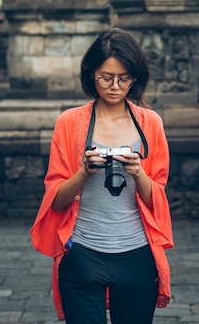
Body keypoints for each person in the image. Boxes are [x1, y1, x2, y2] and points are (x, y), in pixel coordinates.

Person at [30, 28, 174, 323]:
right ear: (91, 75)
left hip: (136, 252)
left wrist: (139, 173)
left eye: (124, 79)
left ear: (135, 78)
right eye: (106, 78)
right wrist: (83, 172)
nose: (114, 86)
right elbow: (55, 201)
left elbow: (156, 200)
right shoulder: (69, 123)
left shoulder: (150, 124)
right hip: (82, 252)